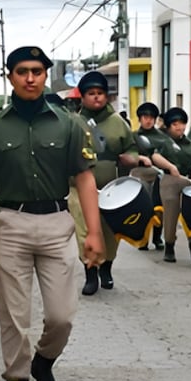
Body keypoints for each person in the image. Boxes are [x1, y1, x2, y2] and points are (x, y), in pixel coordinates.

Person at [0, 45, 103, 381]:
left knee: (62, 316)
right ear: (9, 76)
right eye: (22, 71)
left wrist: (94, 232)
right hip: (11, 224)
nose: (30, 78)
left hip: (57, 224)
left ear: (45, 75)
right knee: (14, 319)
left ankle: (44, 362)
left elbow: (84, 178)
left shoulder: (69, 125)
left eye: (37, 71)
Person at [69, 71, 138, 295]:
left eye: (100, 93)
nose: (96, 97)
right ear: (83, 97)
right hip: (79, 187)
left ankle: (106, 267)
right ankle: (90, 273)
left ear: (106, 96)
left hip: (111, 187)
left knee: (110, 231)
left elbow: (132, 148)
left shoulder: (118, 123)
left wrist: (131, 158)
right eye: (91, 93)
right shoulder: (73, 123)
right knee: (85, 230)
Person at [152, 107, 191, 267]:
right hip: (169, 180)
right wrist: (170, 166)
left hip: (188, 180)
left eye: (182, 123)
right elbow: (155, 156)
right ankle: (169, 247)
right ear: (168, 126)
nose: (179, 127)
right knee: (170, 214)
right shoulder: (162, 141)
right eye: (175, 124)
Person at [131, 102, 170, 251]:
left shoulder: (163, 137)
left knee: (159, 208)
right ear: (140, 119)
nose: (148, 120)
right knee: (143, 207)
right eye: (145, 117)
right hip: (140, 174)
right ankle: (143, 238)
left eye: (151, 118)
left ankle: (157, 237)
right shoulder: (134, 136)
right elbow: (127, 154)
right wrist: (139, 157)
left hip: (159, 175)